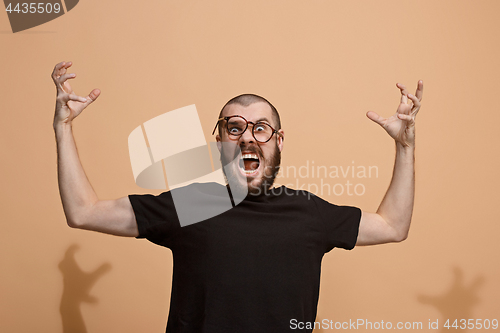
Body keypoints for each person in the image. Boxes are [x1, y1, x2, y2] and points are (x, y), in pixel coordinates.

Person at [52, 61, 423, 333]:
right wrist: (63, 128)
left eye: (260, 128)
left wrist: (405, 147)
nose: (247, 138)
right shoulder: (192, 204)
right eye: (235, 129)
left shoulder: (309, 213)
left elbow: (393, 225)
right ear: (220, 143)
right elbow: (83, 212)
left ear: (278, 142)